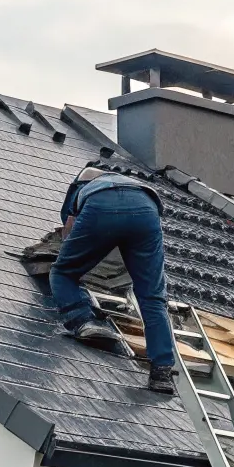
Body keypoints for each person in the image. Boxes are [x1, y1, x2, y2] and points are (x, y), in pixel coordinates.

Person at [50, 166, 178, 393]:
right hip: (146, 211)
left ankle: (82, 319)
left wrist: (72, 251)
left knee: (62, 272)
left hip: (102, 207)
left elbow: (70, 226)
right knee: (152, 297)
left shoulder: (82, 185)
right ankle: (162, 371)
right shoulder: (130, 183)